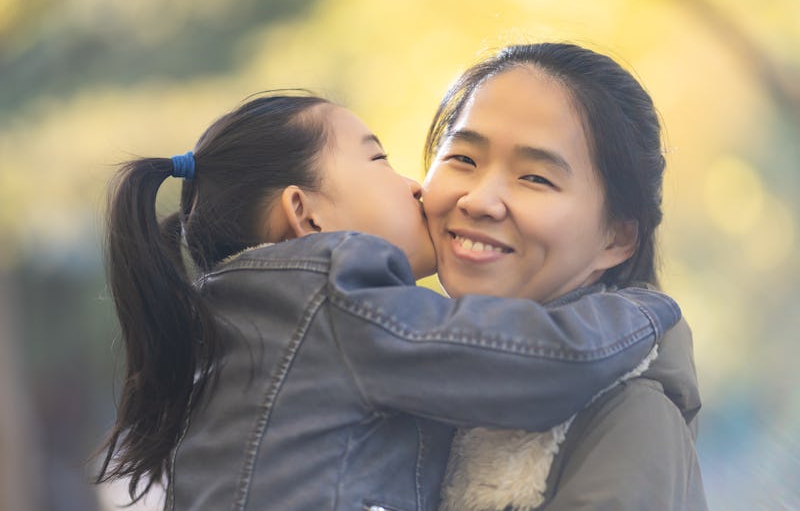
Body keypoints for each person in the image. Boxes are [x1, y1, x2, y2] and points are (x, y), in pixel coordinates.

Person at [95, 92, 681, 510]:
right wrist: (646, 308)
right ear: (305, 213)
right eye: (379, 159)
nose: (417, 186)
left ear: (616, 233)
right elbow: (544, 360)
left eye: (535, 177)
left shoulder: (245, 322)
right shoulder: (335, 295)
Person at [422, 43, 707, 510]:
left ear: (616, 238)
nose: (478, 200)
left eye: (535, 178)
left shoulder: (633, 420)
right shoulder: (403, 372)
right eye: (464, 159)